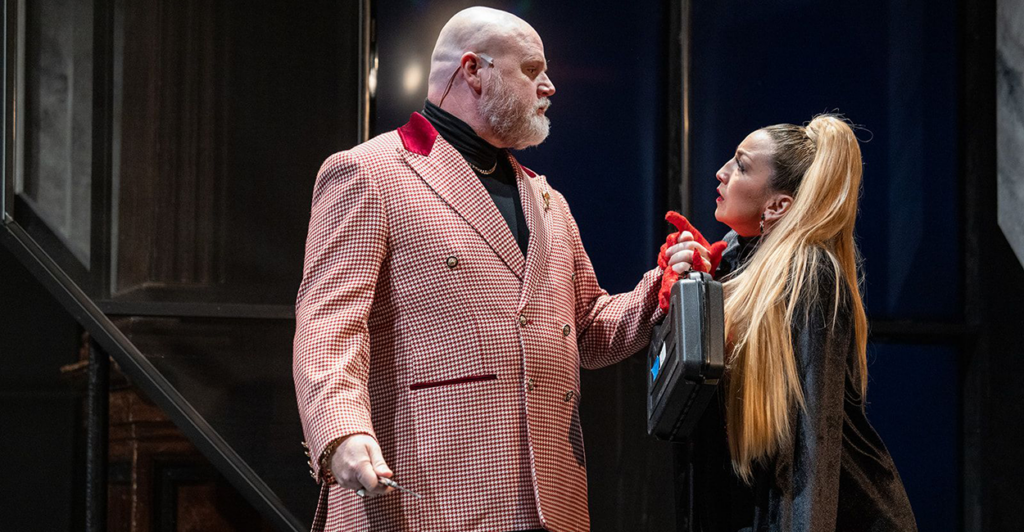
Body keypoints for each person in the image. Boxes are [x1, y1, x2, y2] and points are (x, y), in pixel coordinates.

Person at [292, 7, 672, 531]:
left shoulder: (547, 199)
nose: (551, 86)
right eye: (532, 70)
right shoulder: (369, 172)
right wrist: (341, 432)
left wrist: (663, 287)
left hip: (550, 500)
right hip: (427, 488)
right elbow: (327, 324)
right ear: (474, 70)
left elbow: (587, 329)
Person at [664, 115, 918, 531]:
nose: (722, 171)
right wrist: (688, 285)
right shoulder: (727, 262)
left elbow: (815, 431)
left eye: (742, 166)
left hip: (836, 513)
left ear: (778, 205)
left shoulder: (809, 272)